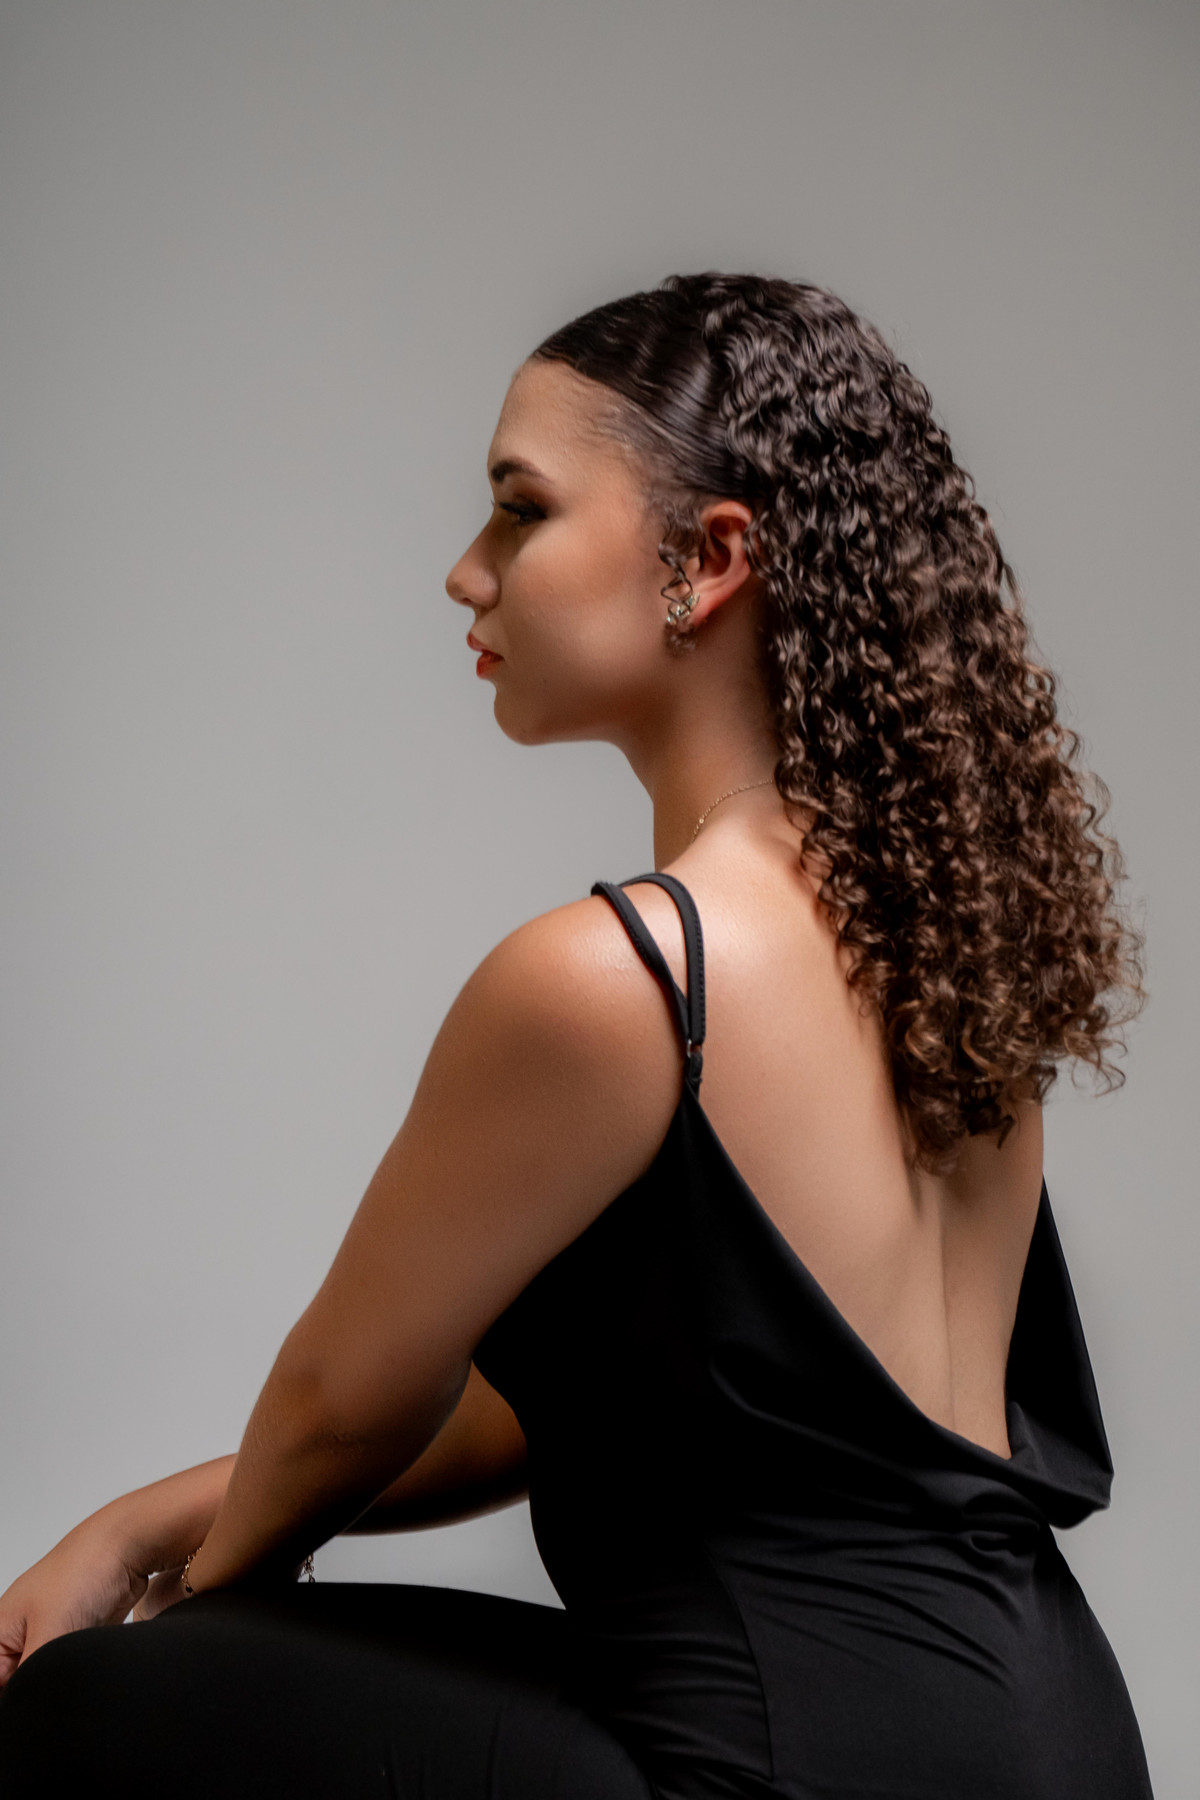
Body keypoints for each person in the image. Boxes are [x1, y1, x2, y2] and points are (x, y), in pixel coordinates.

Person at [0, 270, 1154, 1798]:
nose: (466, 573)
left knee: (93, 1705)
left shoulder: (620, 980)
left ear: (709, 558)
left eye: (520, 510)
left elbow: (341, 1408)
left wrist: (191, 1602)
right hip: (1056, 1736)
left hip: (786, 1763)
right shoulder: (937, 957)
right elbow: (560, 1415)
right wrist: (140, 1524)